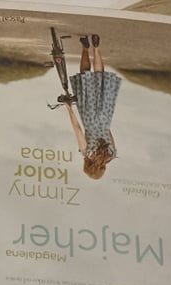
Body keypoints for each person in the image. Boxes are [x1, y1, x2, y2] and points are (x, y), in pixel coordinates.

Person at [64, 34, 120, 179]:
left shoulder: (112, 154)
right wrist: (69, 108)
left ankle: (96, 48)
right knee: (85, 77)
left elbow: (109, 132)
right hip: (89, 116)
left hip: (105, 116)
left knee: (100, 78)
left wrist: (103, 122)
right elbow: (77, 129)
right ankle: (85, 47)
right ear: (87, 166)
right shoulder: (87, 153)